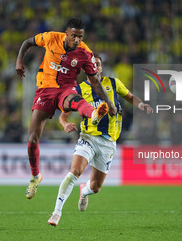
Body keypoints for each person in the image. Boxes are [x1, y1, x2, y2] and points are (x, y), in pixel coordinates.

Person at [15, 18, 117, 199]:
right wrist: (19, 61)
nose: (77, 40)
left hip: (65, 89)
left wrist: (108, 103)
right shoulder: (51, 37)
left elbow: (94, 81)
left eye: (80, 36)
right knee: (32, 139)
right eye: (74, 36)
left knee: (76, 101)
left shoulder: (85, 53)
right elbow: (27, 42)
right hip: (45, 90)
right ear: (66, 33)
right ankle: (35, 176)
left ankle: (93, 113)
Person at [47, 53, 153, 226]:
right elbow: (63, 115)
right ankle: (56, 212)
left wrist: (142, 105)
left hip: (108, 142)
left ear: (101, 68)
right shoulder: (79, 89)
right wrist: (65, 124)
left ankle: (84, 190)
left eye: (98, 63)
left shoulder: (113, 83)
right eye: (92, 63)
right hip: (88, 137)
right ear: (87, 68)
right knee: (74, 172)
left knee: (95, 187)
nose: (95, 66)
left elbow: (130, 97)